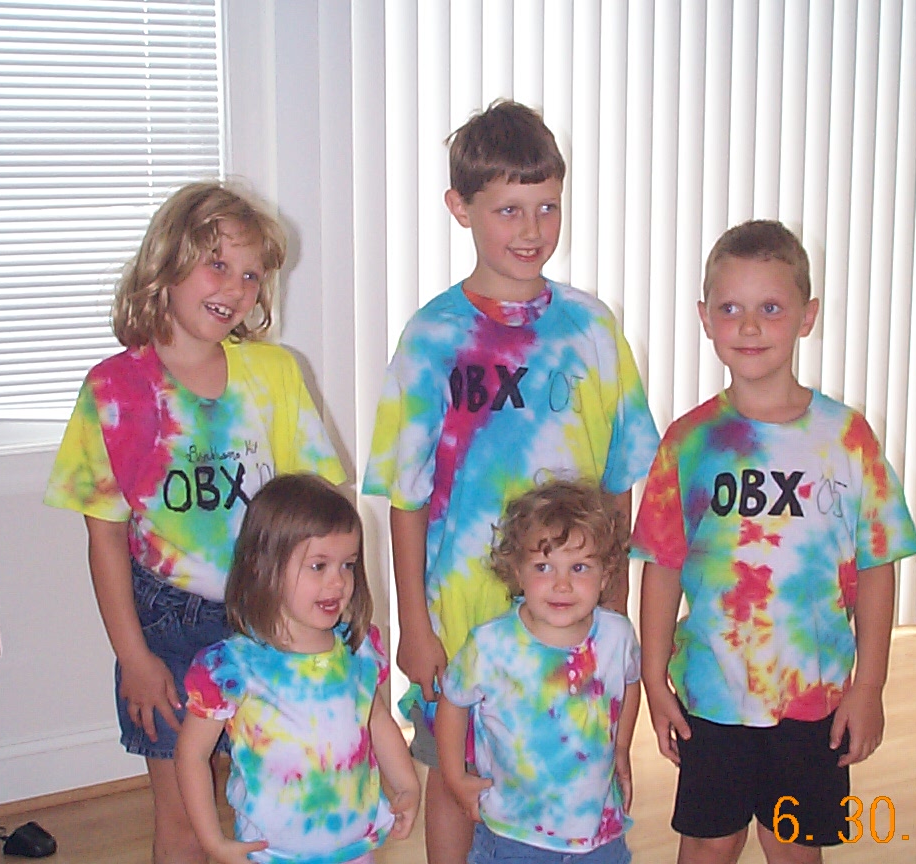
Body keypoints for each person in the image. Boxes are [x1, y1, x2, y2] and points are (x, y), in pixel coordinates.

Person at [362, 100, 659, 863]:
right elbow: (406, 494)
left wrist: (614, 592)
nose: (531, 229)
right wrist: (414, 626)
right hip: (464, 612)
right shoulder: (433, 337)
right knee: (454, 772)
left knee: (561, 762)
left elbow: (618, 475)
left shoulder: (592, 329)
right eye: (508, 210)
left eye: (547, 207)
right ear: (460, 207)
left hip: (572, 603)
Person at [44, 181, 346, 864]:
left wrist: (329, 612)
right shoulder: (114, 390)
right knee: (184, 820)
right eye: (218, 265)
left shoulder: (274, 373)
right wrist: (134, 658)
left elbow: (315, 513)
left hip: (271, 618)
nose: (236, 288)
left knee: (278, 804)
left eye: (251, 275)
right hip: (169, 628)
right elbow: (105, 539)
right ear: (167, 263)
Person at [632, 220, 916, 864]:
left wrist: (869, 686)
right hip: (713, 693)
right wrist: (654, 677)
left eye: (770, 308)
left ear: (806, 316)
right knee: (709, 841)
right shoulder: (689, 441)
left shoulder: (847, 439)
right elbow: (662, 565)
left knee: (793, 844)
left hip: (813, 697)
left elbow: (878, 565)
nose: (749, 327)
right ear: (705, 319)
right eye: (730, 309)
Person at [175, 474, 420, 864]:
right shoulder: (233, 667)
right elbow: (191, 755)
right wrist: (212, 841)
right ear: (262, 567)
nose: (338, 582)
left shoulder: (357, 651)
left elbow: (375, 720)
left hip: (354, 847)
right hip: (272, 854)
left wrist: (407, 784)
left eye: (348, 565)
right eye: (318, 566)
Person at [435, 480, 640, 864]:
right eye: (544, 567)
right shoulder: (491, 645)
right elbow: (453, 701)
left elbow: (630, 683)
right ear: (518, 570)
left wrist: (623, 747)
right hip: (514, 835)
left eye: (579, 567)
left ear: (605, 574)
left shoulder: (617, 635)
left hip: (600, 834)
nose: (562, 584)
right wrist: (454, 776)